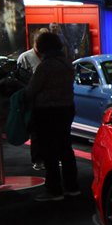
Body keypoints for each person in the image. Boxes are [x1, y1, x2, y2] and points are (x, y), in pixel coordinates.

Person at [25, 31, 79, 200]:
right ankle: (72, 187)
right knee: (65, 149)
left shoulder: (46, 66)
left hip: (47, 111)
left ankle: (54, 189)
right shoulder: (66, 64)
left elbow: (32, 90)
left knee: (49, 152)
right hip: (66, 109)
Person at [17, 27, 48, 171]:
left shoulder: (51, 57)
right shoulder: (25, 57)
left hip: (50, 100)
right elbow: (19, 81)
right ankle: (38, 160)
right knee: (36, 133)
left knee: (50, 132)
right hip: (34, 102)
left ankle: (50, 158)